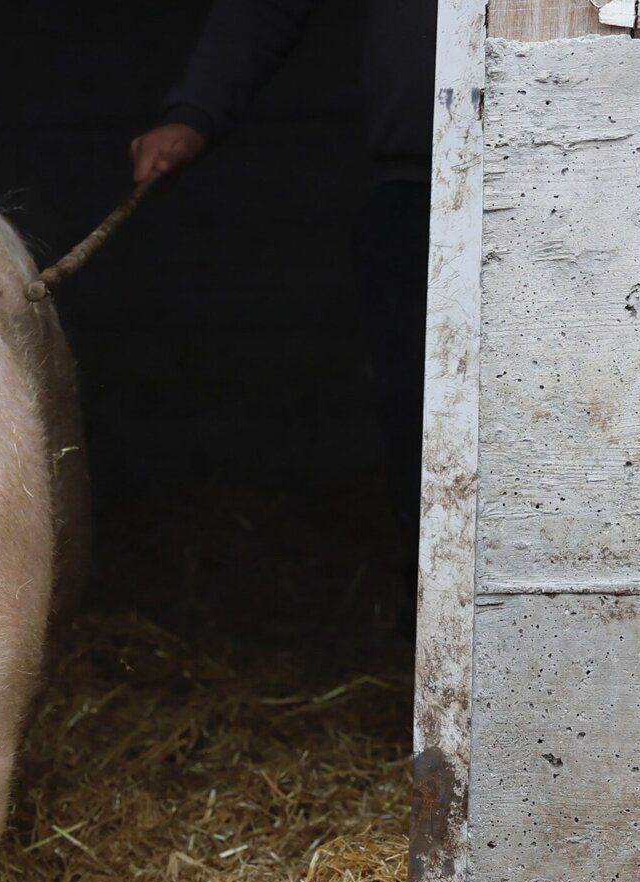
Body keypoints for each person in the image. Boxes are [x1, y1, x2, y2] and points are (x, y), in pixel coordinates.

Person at [130, 0, 436, 578]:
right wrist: (197, 108)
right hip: (419, 188)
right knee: (424, 441)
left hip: (585, 167)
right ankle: (431, 631)